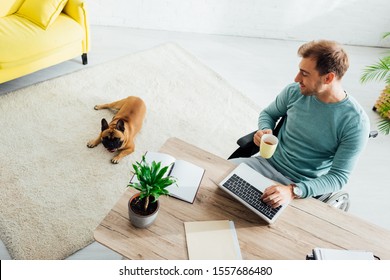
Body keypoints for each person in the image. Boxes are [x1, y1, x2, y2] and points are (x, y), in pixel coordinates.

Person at [230, 40, 370, 208]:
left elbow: (338, 177)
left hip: (302, 188)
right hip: (264, 165)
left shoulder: (355, 123)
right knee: (214, 179)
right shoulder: (294, 91)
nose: (297, 79)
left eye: (305, 73)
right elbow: (269, 114)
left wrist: (292, 191)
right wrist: (265, 129)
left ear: (328, 77)